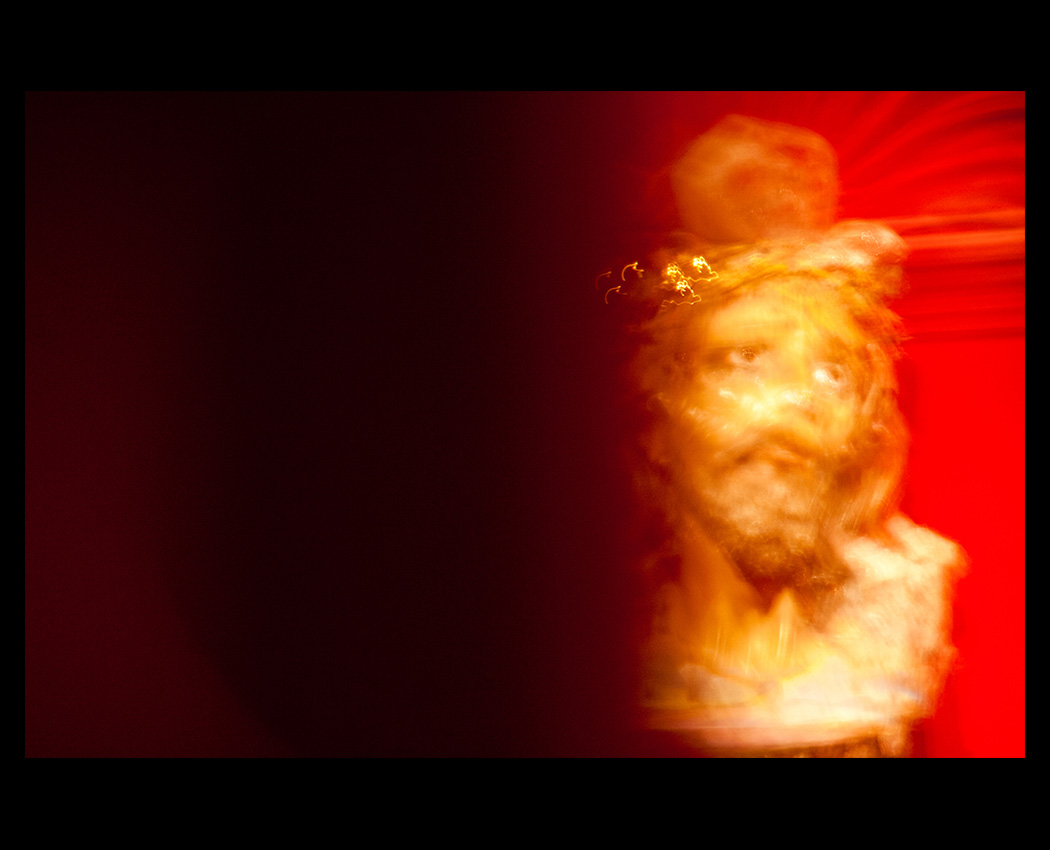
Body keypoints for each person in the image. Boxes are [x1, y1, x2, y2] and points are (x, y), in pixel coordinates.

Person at [622, 116, 963, 756]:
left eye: (834, 372)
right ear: (660, 413)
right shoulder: (585, 649)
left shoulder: (890, 626)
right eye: (745, 359)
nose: (795, 402)